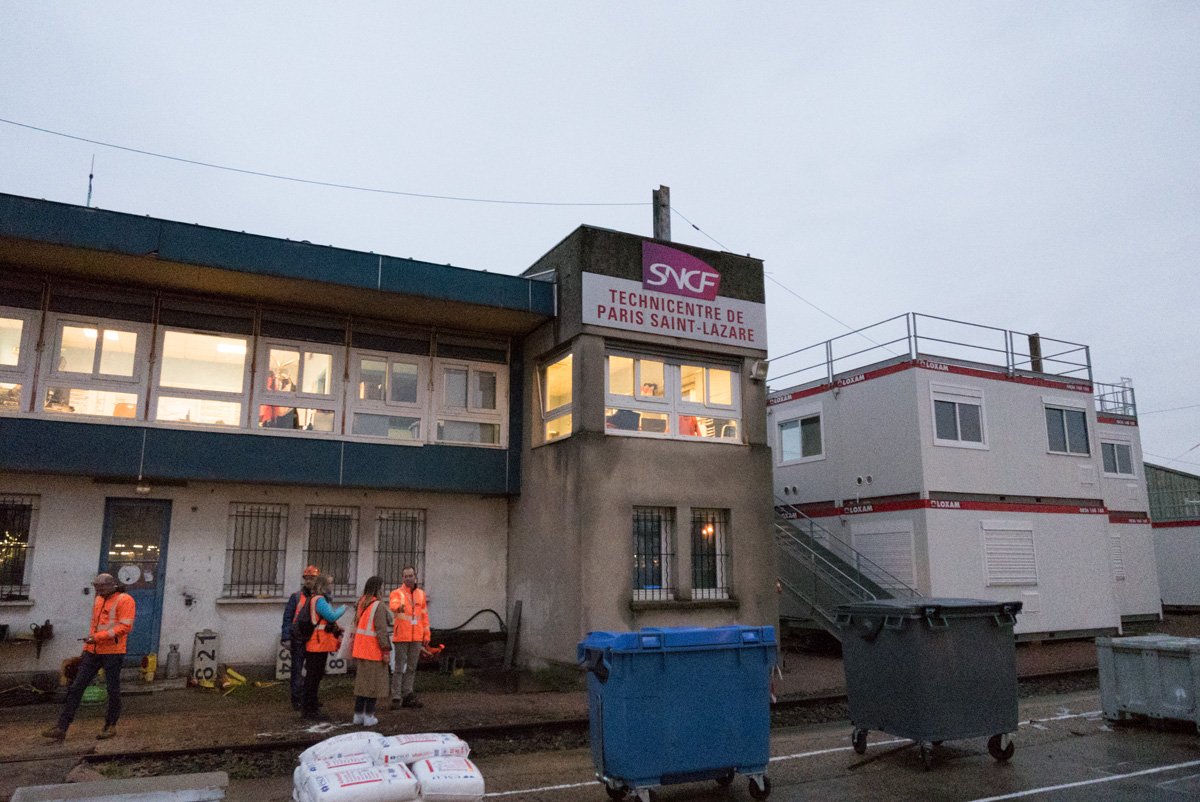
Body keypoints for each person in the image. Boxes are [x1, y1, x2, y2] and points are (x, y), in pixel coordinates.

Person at [43, 573, 135, 741]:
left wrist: (97, 638)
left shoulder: (125, 600)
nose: (97, 591)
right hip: (93, 651)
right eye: (95, 587)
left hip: (113, 652)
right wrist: (86, 649)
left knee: (112, 689)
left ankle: (110, 726)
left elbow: (126, 626)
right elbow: (94, 627)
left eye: (100, 588)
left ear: (111, 585)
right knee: (77, 687)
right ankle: (61, 727)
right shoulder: (99, 600)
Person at [301, 574, 346, 720]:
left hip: (318, 643)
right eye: (330, 583)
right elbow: (331, 616)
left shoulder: (316, 599)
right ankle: (309, 708)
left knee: (314, 676)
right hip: (317, 644)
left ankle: (311, 704)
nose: (332, 586)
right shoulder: (319, 600)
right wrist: (344, 608)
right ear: (324, 585)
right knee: (313, 677)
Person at [351, 576, 392, 726]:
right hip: (373, 650)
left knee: (362, 685)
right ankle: (369, 716)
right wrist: (385, 651)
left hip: (360, 649)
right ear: (378, 589)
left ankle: (358, 714)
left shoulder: (362, 602)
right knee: (373, 686)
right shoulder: (378, 606)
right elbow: (381, 630)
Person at [389, 565, 429, 709]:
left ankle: (408, 695)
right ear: (402, 578)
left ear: (415, 576)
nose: (408, 578)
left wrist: (426, 634)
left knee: (412, 668)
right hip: (401, 636)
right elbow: (393, 605)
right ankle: (396, 697)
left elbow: (424, 615)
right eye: (406, 576)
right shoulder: (396, 593)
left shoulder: (421, 594)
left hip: (416, 636)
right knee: (399, 667)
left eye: (410, 575)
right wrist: (398, 607)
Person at [281, 565, 320, 711]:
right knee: (297, 670)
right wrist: (286, 638)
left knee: (312, 671)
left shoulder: (319, 598)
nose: (309, 581)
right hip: (298, 639)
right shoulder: (296, 597)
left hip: (314, 639)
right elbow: (287, 617)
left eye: (312, 578)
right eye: (307, 578)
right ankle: (296, 699)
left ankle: (309, 697)